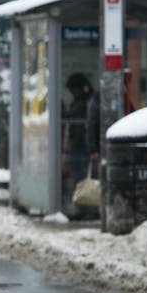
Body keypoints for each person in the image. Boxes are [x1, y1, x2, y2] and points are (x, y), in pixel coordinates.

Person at [63, 72, 94, 218]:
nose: (72, 92)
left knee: (82, 180)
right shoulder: (81, 102)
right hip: (79, 149)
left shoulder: (85, 104)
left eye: (73, 89)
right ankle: (82, 209)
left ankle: (85, 210)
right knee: (79, 180)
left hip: (81, 149)